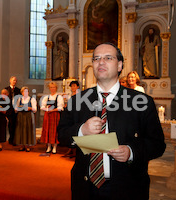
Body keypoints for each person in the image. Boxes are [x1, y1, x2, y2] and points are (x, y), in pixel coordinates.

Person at [57, 43, 166, 200]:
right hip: (85, 188)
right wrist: (82, 130)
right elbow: (61, 135)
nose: (101, 62)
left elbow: (157, 144)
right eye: (96, 58)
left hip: (127, 187)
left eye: (108, 58)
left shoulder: (141, 101)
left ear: (120, 65)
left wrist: (131, 151)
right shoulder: (77, 101)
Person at [40, 82, 64, 154]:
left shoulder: (59, 97)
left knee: (54, 130)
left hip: (55, 115)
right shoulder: (46, 97)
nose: (52, 89)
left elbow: (60, 108)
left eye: (54, 87)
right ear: (49, 88)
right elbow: (42, 106)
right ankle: (49, 146)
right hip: (48, 115)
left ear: (56, 88)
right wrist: (47, 109)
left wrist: (52, 110)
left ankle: (55, 147)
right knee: (47, 130)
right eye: (51, 87)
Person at [14, 86, 37, 152]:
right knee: (21, 130)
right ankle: (22, 145)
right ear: (22, 93)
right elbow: (16, 108)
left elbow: (35, 109)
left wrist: (30, 108)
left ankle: (28, 146)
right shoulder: (19, 99)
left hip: (28, 116)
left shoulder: (32, 99)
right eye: (24, 92)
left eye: (26, 91)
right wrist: (18, 108)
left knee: (28, 130)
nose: (25, 93)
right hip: (21, 116)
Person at [62, 80, 80, 158]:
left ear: (78, 87)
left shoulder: (80, 95)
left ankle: (76, 151)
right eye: (71, 86)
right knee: (70, 131)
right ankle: (70, 149)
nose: (73, 87)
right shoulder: (70, 95)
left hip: (77, 115)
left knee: (76, 132)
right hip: (70, 115)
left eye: (74, 86)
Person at [5, 76, 21, 145]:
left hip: (16, 110)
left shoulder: (18, 90)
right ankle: (11, 138)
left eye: (15, 80)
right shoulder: (6, 89)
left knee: (15, 125)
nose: (14, 82)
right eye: (13, 80)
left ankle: (15, 139)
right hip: (9, 110)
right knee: (10, 125)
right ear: (10, 81)